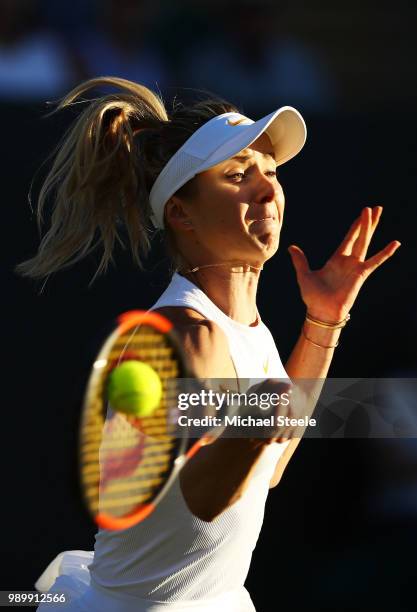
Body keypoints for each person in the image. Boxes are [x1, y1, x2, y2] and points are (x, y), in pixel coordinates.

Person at [15, 77, 400, 611]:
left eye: (269, 172)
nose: (267, 189)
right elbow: (205, 497)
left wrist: (323, 323)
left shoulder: (249, 332)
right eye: (238, 175)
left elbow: (271, 467)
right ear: (181, 213)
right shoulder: (182, 334)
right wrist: (258, 421)